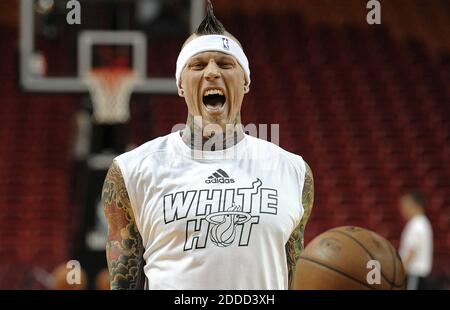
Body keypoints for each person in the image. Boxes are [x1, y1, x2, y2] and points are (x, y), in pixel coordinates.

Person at [102, 1, 314, 290]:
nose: (212, 72)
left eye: (226, 64)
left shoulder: (294, 171)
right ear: (180, 84)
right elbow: (123, 283)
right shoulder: (132, 171)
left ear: (246, 81)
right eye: (198, 65)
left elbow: (291, 278)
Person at [399, 191, 433, 290]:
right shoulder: (423, 222)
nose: (403, 209)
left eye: (405, 205)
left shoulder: (416, 224)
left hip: (414, 274)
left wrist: (400, 272)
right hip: (418, 276)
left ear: (414, 204)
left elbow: (411, 251)